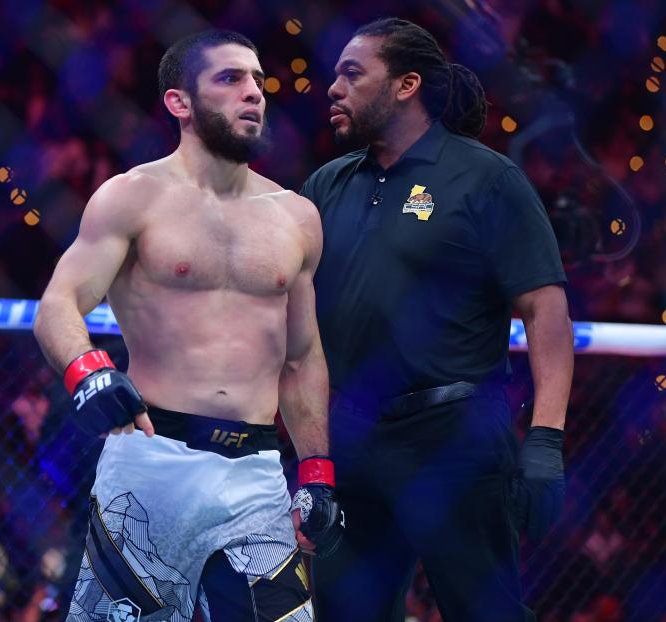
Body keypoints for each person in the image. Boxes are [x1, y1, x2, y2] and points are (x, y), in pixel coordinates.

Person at [33, 30, 342, 622]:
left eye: (256, 79)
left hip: (256, 472)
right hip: (152, 461)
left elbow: (302, 358)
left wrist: (317, 473)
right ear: (180, 103)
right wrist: (88, 371)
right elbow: (59, 303)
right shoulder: (133, 197)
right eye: (230, 79)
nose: (253, 92)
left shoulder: (296, 217)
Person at [300, 18, 573, 622]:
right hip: (351, 435)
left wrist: (547, 439)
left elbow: (544, 310)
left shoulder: (485, 179)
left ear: (406, 85)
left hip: (455, 436)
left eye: (353, 73)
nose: (332, 88)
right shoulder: (327, 184)